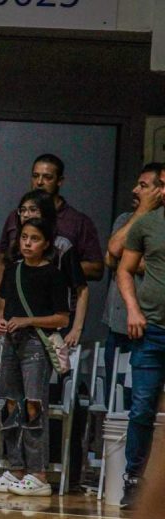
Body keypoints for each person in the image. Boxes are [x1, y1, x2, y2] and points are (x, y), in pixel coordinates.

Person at [0, 217, 70, 496]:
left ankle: (39, 472)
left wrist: (28, 320)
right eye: (24, 237)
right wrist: (1, 321)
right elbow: (2, 306)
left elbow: (62, 318)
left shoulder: (54, 275)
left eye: (34, 239)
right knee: (10, 403)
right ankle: (16, 467)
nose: (27, 243)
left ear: (46, 243)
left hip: (36, 343)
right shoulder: (13, 270)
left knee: (34, 404)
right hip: (11, 340)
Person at [116, 164, 165, 509]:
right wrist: (132, 309)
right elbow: (124, 269)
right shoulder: (147, 224)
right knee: (142, 408)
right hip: (151, 330)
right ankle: (133, 480)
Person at [0, 153, 104, 290]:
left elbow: (96, 269)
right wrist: (2, 296)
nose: (39, 182)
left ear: (59, 181)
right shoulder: (17, 216)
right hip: (18, 295)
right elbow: (1, 261)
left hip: (58, 296)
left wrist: (55, 267)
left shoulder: (77, 221)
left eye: (47, 177)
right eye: (35, 176)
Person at [102, 163, 162, 404]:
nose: (135, 190)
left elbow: (148, 265)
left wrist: (124, 259)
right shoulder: (126, 219)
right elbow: (112, 251)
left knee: (141, 400)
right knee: (113, 398)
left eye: (143, 186)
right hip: (118, 324)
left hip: (150, 326)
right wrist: (142, 211)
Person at [9, 190, 88, 347]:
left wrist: (76, 329)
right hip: (20, 326)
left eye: (33, 210)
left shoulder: (62, 246)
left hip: (54, 326)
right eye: (22, 210)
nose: (26, 214)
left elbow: (82, 289)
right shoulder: (17, 245)